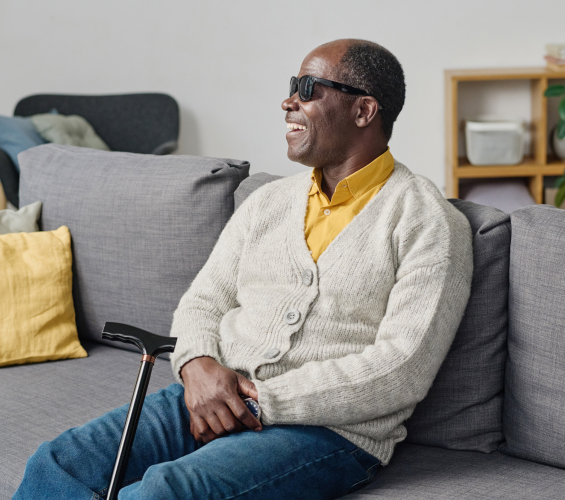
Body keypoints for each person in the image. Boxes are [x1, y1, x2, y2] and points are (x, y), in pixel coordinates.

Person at [14, 39, 473, 500]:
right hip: (210, 397)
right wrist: (196, 364)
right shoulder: (268, 203)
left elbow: (401, 368)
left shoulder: (428, 222)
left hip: (328, 430)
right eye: (292, 86)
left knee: (163, 493)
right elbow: (204, 300)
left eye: (307, 87)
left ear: (363, 111)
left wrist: (260, 400)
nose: (288, 100)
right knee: (58, 464)